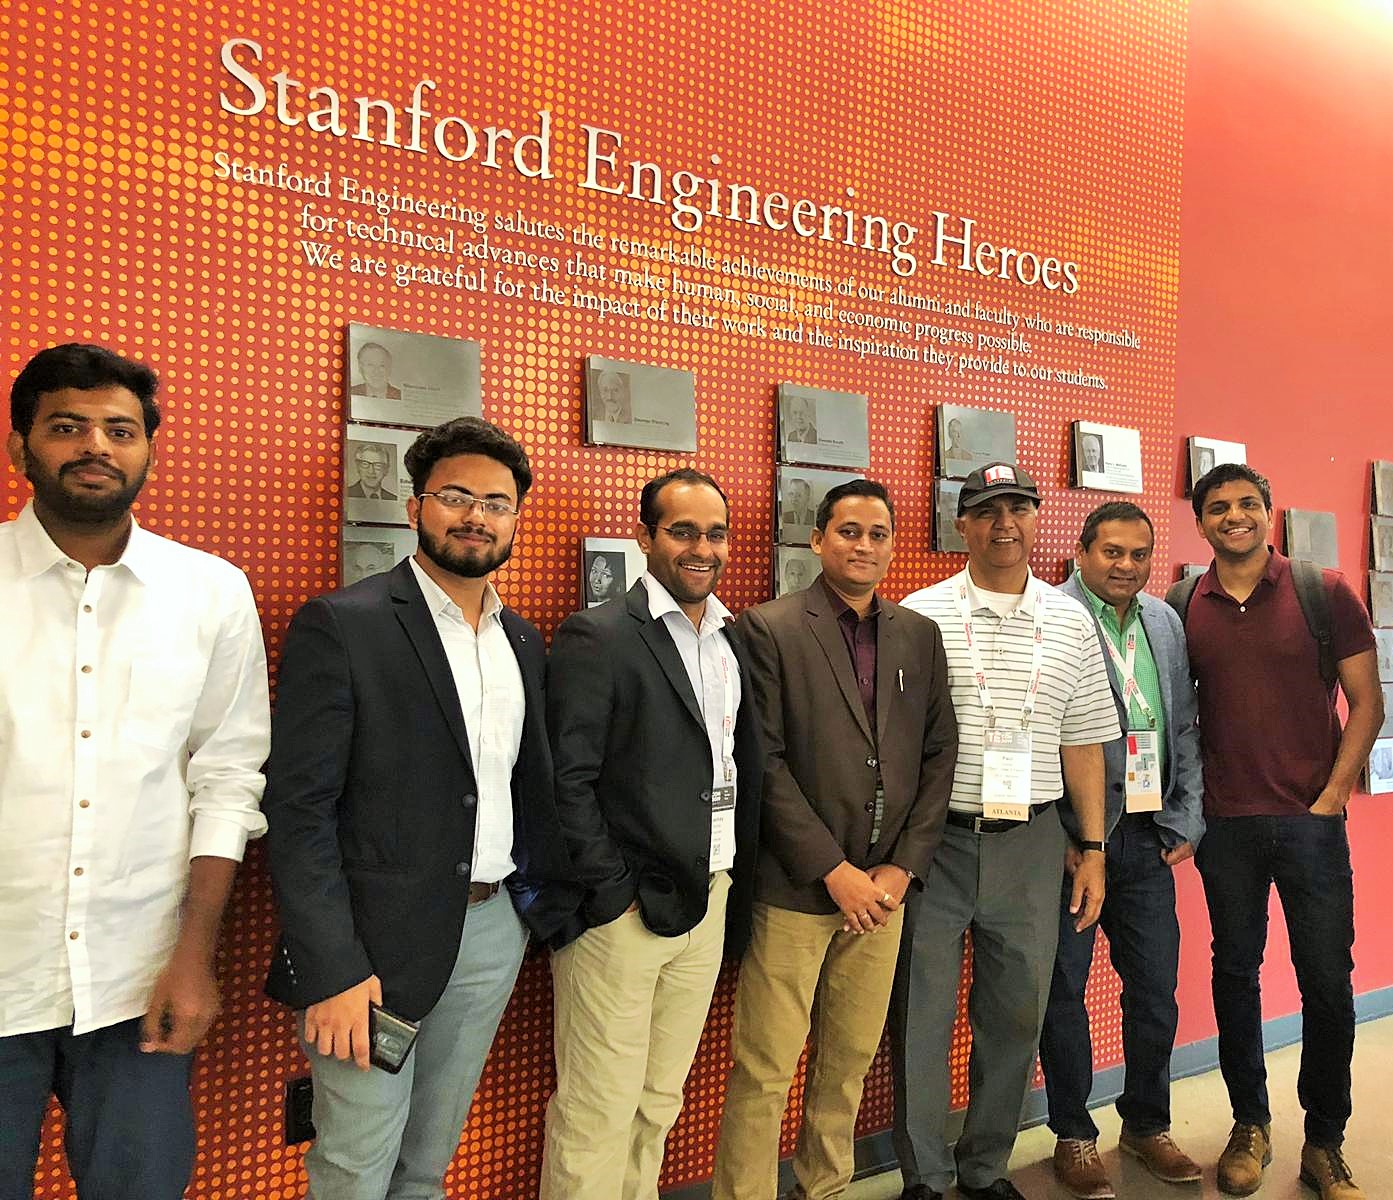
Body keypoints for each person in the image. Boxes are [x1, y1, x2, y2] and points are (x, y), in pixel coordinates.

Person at [263, 416, 581, 1200]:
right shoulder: (346, 624)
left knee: (428, 1160)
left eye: (497, 503)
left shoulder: (521, 641)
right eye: (455, 496)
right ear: (415, 509)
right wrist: (333, 969)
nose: (476, 516)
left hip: (490, 931)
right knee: (355, 1163)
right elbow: (299, 811)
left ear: (515, 519)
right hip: (373, 947)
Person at [0, 343, 271, 1200]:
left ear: (149, 448)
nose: (95, 446)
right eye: (67, 426)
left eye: (120, 430)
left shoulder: (211, 592)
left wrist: (194, 956)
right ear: (19, 446)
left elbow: (227, 779)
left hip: (138, 978)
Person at [710, 480, 957, 1200]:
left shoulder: (918, 635)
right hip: (795, 888)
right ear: (817, 540)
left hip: (884, 893)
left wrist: (902, 868)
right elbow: (763, 762)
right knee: (764, 1068)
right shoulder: (768, 628)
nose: (864, 546)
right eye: (849, 531)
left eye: (878, 534)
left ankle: (825, 1188)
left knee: (847, 1062)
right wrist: (832, 869)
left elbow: (939, 753)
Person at [891, 461, 1119, 1200]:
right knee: (920, 1016)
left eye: (1018, 508)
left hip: (1032, 842)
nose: (1004, 524)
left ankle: (986, 1167)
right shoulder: (919, 615)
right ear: (961, 524)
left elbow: (1082, 743)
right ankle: (925, 1178)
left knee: (1016, 1014)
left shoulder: (1070, 620)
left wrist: (1092, 848)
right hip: (935, 843)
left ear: (1035, 519)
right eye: (988, 511)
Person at [540, 468, 763, 1200]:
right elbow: (567, 780)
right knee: (597, 1108)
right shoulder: (599, 634)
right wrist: (611, 895)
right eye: (683, 531)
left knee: (658, 1101)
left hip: (710, 895)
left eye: (716, 534)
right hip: (624, 914)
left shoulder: (733, 640)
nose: (702, 548)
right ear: (645, 537)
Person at [1180, 464, 1381, 1200]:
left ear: (1268, 512)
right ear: (1200, 522)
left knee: (1325, 982)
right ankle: (1249, 1126)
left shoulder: (1323, 592)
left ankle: (1324, 1144)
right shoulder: (1182, 605)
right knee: (1234, 975)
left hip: (1310, 825)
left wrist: (1331, 797)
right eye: (1217, 507)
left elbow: (1367, 704)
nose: (1233, 516)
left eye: (1247, 504)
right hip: (1225, 828)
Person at [1038, 502, 1205, 1199]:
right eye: (1111, 552)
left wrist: (1186, 818)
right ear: (1081, 552)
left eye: (1139, 554)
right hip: (1075, 844)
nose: (1126, 566)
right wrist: (1065, 838)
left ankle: (1145, 1123)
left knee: (1155, 991)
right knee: (1063, 993)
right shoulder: (1050, 615)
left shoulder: (1163, 620)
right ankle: (1073, 1134)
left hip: (1147, 837)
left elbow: (1183, 722)